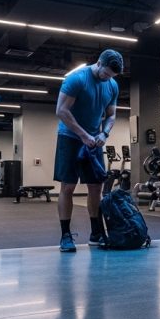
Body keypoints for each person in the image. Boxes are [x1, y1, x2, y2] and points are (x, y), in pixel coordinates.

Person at [54, 49, 123, 252]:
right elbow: (61, 111)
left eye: (111, 76)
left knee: (96, 187)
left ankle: (96, 233)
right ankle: (65, 235)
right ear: (99, 63)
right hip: (70, 137)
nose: (107, 78)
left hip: (94, 140)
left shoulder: (112, 85)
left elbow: (111, 115)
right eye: (106, 73)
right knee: (68, 186)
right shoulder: (77, 79)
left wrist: (104, 134)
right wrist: (83, 135)